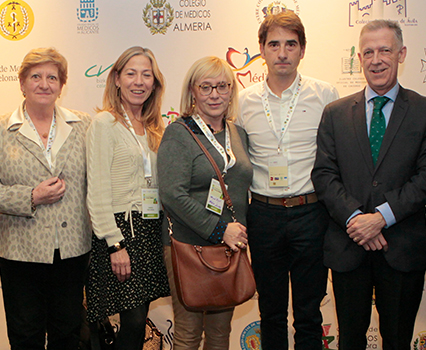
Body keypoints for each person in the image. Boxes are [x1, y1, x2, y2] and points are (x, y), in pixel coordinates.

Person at [311, 20, 426, 350]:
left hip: (401, 247)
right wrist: (357, 220)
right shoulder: (335, 113)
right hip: (348, 245)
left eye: (385, 50)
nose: (376, 59)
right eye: (368, 52)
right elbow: (324, 176)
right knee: (350, 340)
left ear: (402, 54)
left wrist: (381, 217)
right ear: (359, 59)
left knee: (398, 339)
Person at [0, 47, 92, 349]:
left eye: (52, 77)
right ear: (22, 83)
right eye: (35, 76)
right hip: (19, 252)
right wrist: (31, 196)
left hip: (72, 250)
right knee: (25, 336)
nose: (44, 84)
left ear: (62, 85)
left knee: (68, 333)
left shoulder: (84, 125)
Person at [236, 11, 338, 350]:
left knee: (309, 314)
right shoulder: (244, 100)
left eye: (290, 44)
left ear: (302, 50)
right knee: (271, 313)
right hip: (263, 215)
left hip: (312, 213)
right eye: (274, 44)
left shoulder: (325, 94)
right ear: (262, 50)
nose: (282, 53)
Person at [158, 56, 253, 350]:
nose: (215, 95)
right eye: (206, 87)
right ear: (193, 91)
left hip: (229, 247)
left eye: (222, 86)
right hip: (187, 246)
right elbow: (172, 195)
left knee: (220, 333)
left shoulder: (238, 134)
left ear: (231, 91)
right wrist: (220, 229)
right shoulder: (179, 133)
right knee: (187, 333)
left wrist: (231, 235)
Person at [85, 46, 170, 350]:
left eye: (146, 74)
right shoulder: (104, 124)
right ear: (117, 79)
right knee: (132, 324)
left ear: (154, 82)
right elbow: (96, 190)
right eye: (131, 73)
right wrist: (114, 243)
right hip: (120, 232)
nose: (139, 81)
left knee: (137, 324)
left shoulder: (154, 128)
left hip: (148, 231)